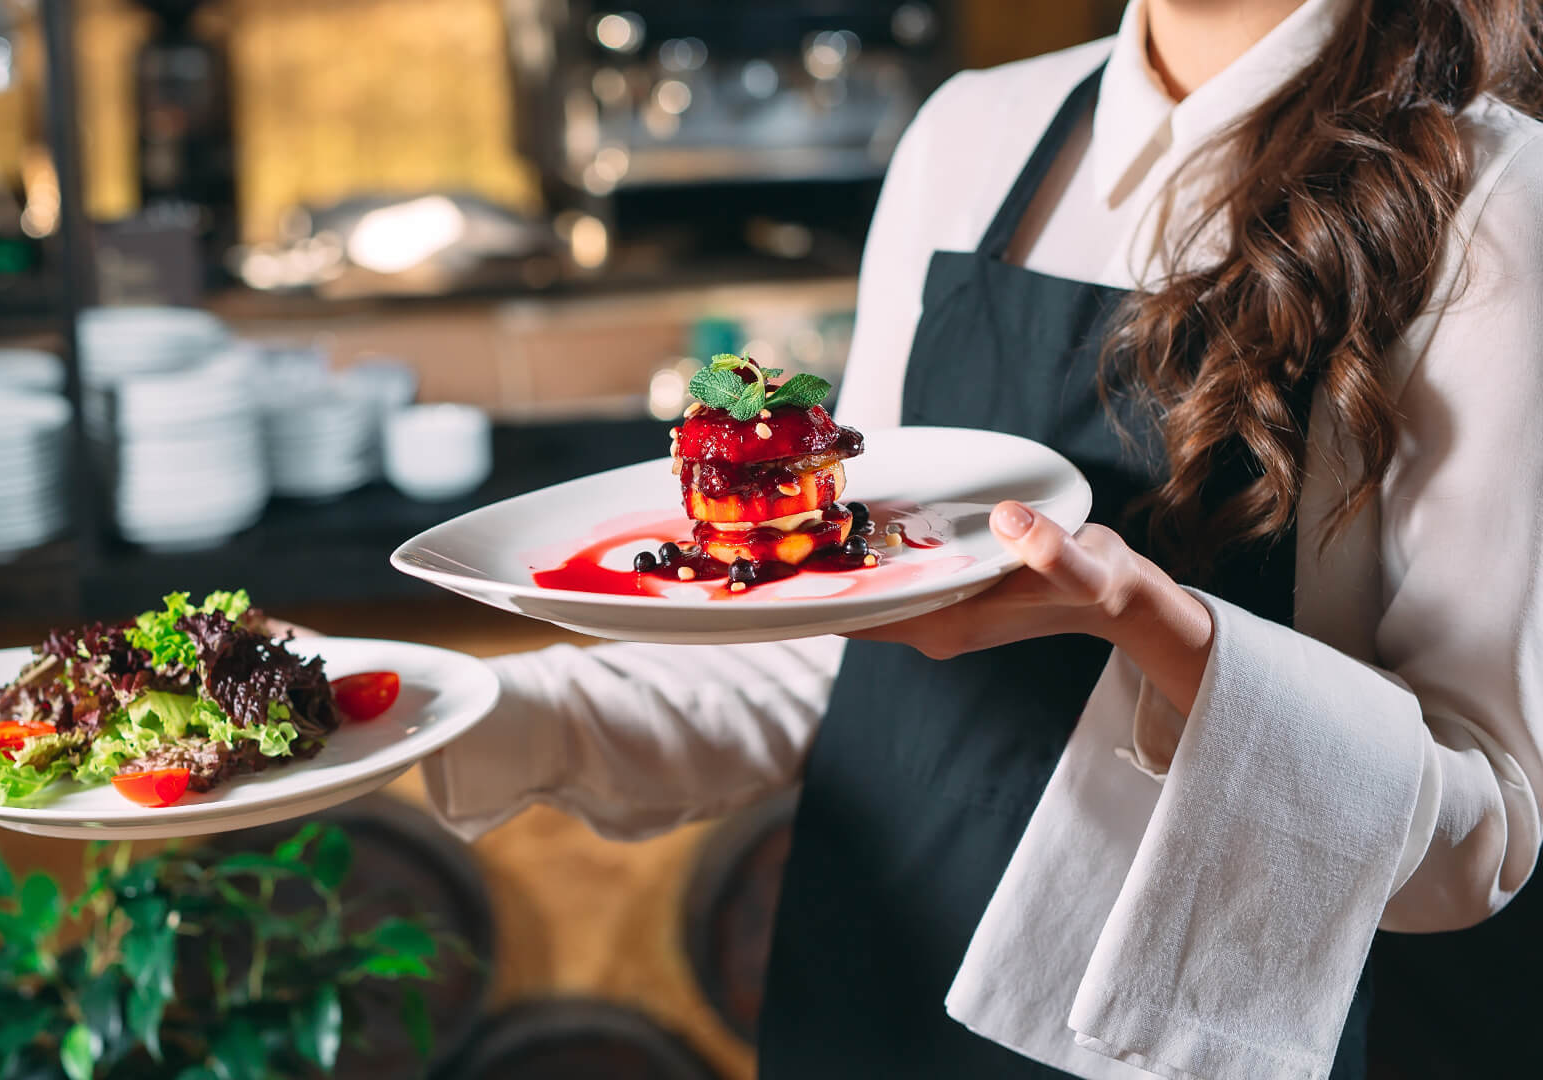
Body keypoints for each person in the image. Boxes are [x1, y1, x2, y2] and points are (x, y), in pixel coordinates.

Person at [415, 0, 1543, 1076]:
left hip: (1161, 1037)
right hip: (868, 982)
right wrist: (446, 712)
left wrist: (1162, 632)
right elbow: (820, 653)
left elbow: (1476, 838)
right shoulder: (972, 133)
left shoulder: (1493, 199)